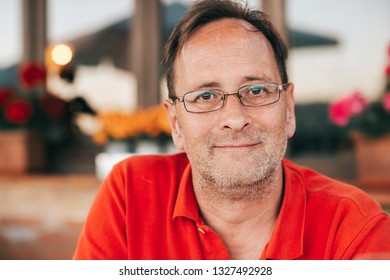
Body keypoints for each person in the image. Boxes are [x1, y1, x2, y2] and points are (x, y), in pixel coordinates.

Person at [73, 0, 390, 260]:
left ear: (289, 109)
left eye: (256, 91)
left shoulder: (355, 228)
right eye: (206, 96)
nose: (235, 118)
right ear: (175, 124)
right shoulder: (131, 194)